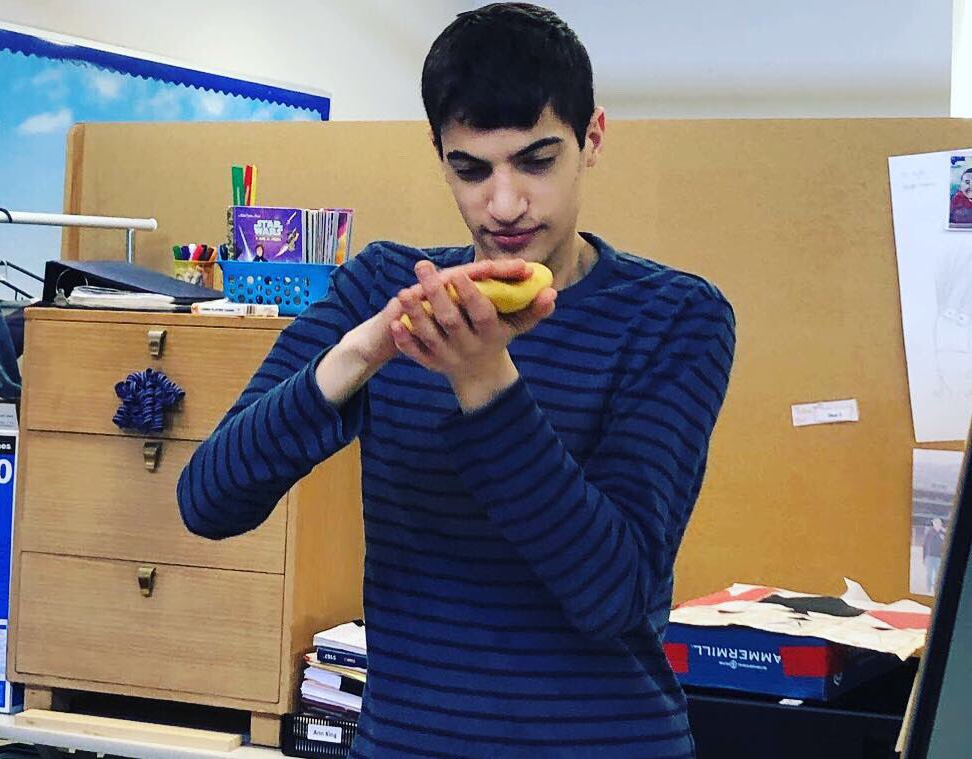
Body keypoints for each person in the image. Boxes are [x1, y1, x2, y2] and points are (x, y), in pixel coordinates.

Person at [177, 4, 735, 757]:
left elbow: (613, 592)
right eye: (470, 169)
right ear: (438, 152)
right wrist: (361, 351)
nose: (503, 204)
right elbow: (207, 499)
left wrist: (485, 382)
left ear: (591, 139)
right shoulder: (383, 285)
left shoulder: (675, 317)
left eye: (536, 161)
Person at [923, 517, 947, 592]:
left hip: (939, 557)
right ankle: (928, 589)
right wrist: (924, 557)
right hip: (929, 557)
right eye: (934, 523)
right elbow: (925, 545)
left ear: (941, 524)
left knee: (938, 575)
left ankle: (936, 589)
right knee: (929, 574)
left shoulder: (944, 533)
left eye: (937, 523)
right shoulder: (929, 532)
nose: (936, 524)